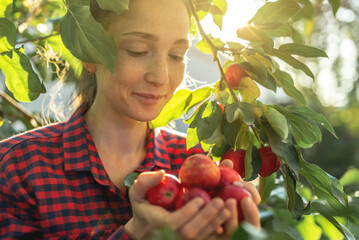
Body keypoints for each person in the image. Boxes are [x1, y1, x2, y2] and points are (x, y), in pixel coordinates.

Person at [0, 0, 261, 239]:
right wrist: (135, 234)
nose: (160, 76)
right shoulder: (17, 168)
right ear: (90, 54)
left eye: (177, 55)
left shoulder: (195, 163)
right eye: (137, 50)